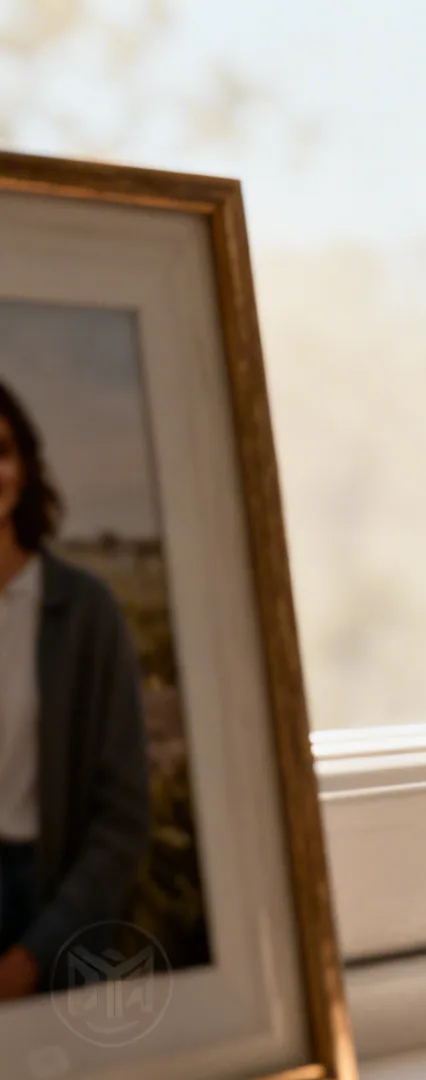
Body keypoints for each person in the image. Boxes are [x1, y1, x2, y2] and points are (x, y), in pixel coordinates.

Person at [0, 378, 150, 1000]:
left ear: (26, 467)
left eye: (2, 450)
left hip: (47, 896)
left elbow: (122, 818)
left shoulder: (86, 612)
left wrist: (33, 957)